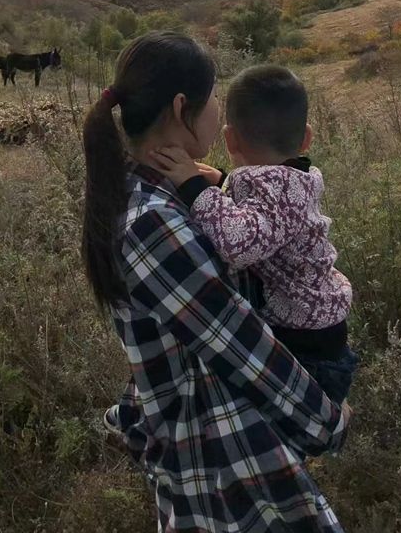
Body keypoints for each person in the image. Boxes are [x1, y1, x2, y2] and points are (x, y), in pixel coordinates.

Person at [82, 32, 349, 533]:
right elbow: (239, 344)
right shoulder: (152, 224)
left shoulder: (159, 197)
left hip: (231, 454)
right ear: (183, 109)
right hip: (223, 471)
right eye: (213, 103)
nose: (220, 119)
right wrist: (329, 421)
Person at [151, 65, 358, 408]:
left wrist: (192, 186)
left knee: (297, 424)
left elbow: (240, 243)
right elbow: (267, 208)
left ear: (230, 139)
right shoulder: (294, 178)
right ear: (306, 137)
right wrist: (222, 181)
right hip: (319, 327)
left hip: (306, 341)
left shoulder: (278, 187)